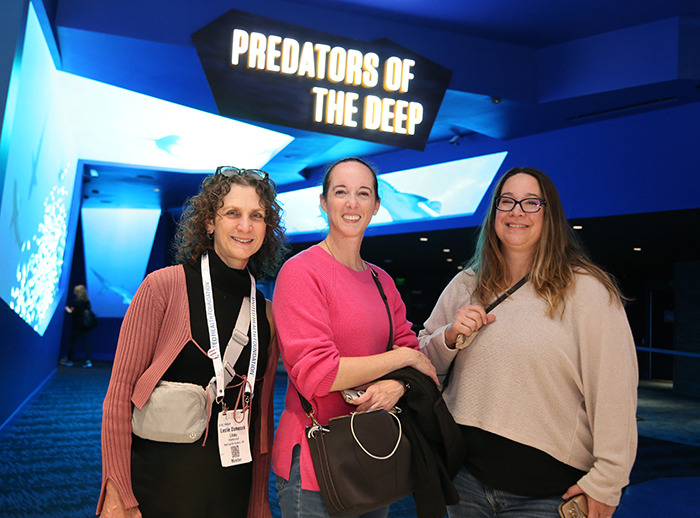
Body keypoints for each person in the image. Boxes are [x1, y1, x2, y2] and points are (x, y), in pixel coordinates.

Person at [419, 166, 638, 518]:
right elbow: (422, 360)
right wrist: (448, 337)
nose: (516, 211)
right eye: (507, 201)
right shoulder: (466, 284)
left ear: (549, 215)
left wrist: (608, 481)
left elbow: (614, 392)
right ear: (494, 214)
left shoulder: (588, 291)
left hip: (547, 493)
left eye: (531, 202)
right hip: (464, 482)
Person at [96, 167, 287, 518]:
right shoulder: (163, 288)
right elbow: (119, 396)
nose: (245, 226)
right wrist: (117, 491)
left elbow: (260, 418)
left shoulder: (268, 313)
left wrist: (258, 502)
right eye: (233, 213)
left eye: (256, 216)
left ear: (266, 228)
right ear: (210, 223)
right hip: (160, 487)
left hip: (231, 488)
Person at [272, 157, 439, 518]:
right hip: (316, 464)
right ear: (323, 202)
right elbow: (318, 375)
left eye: (363, 194)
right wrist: (403, 361)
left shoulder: (381, 281)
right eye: (341, 192)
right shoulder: (301, 272)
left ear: (376, 206)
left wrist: (398, 386)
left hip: (373, 454)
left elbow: (411, 351)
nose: (352, 203)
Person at [60, 284, 94, 368]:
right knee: (86, 343)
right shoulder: (87, 301)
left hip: (77, 326)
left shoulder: (77, 302)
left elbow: (76, 314)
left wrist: (69, 310)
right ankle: (88, 360)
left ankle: (69, 359)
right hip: (86, 326)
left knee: (73, 343)